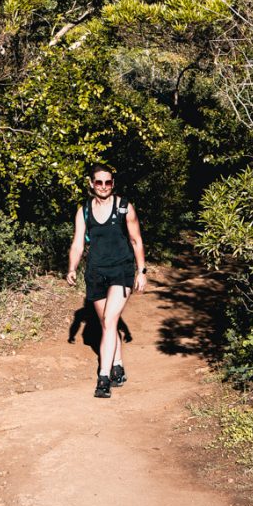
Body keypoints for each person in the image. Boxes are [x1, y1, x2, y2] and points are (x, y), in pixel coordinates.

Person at [64, 163, 147, 398]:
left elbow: (136, 240)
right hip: (95, 272)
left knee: (110, 320)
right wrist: (72, 268)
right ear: (91, 184)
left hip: (121, 271)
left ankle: (104, 377)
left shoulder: (124, 208)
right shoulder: (85, 211)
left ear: (113, 183)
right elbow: (78, 243)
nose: (103, 186)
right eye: (98, 182)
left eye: (107, 182)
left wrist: (141, 271)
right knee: (105, 322)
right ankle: (118, 365)